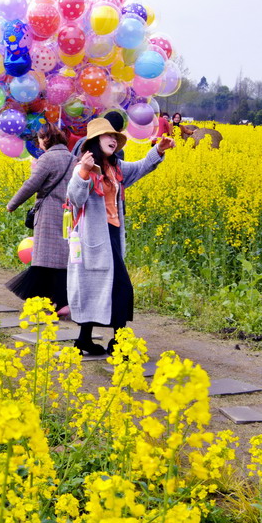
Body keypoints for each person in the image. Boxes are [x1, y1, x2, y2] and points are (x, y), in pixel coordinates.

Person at [67, 117, 175, 356]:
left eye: (115, 137)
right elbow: (75, 199)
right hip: (93, 237)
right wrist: (84, 171)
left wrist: (158, 150)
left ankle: (85, 339)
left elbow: (139, 167)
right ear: (95, 141)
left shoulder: (116, 168)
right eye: (108, 136)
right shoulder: (83, 168)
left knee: (104, 287)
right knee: (117, 287)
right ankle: (118, 341)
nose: (113, 140)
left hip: (112, 235)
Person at [5, 123, 75, 315]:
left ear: (46, 139)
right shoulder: (73, 159)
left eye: (40, 138)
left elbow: (31, 185)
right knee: (60, 259)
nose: (39, 143)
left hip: (49, 213)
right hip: (68, 214)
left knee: (43, 258)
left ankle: (42, 300)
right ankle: (59, 301)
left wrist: (12, 204)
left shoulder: (47, 159)